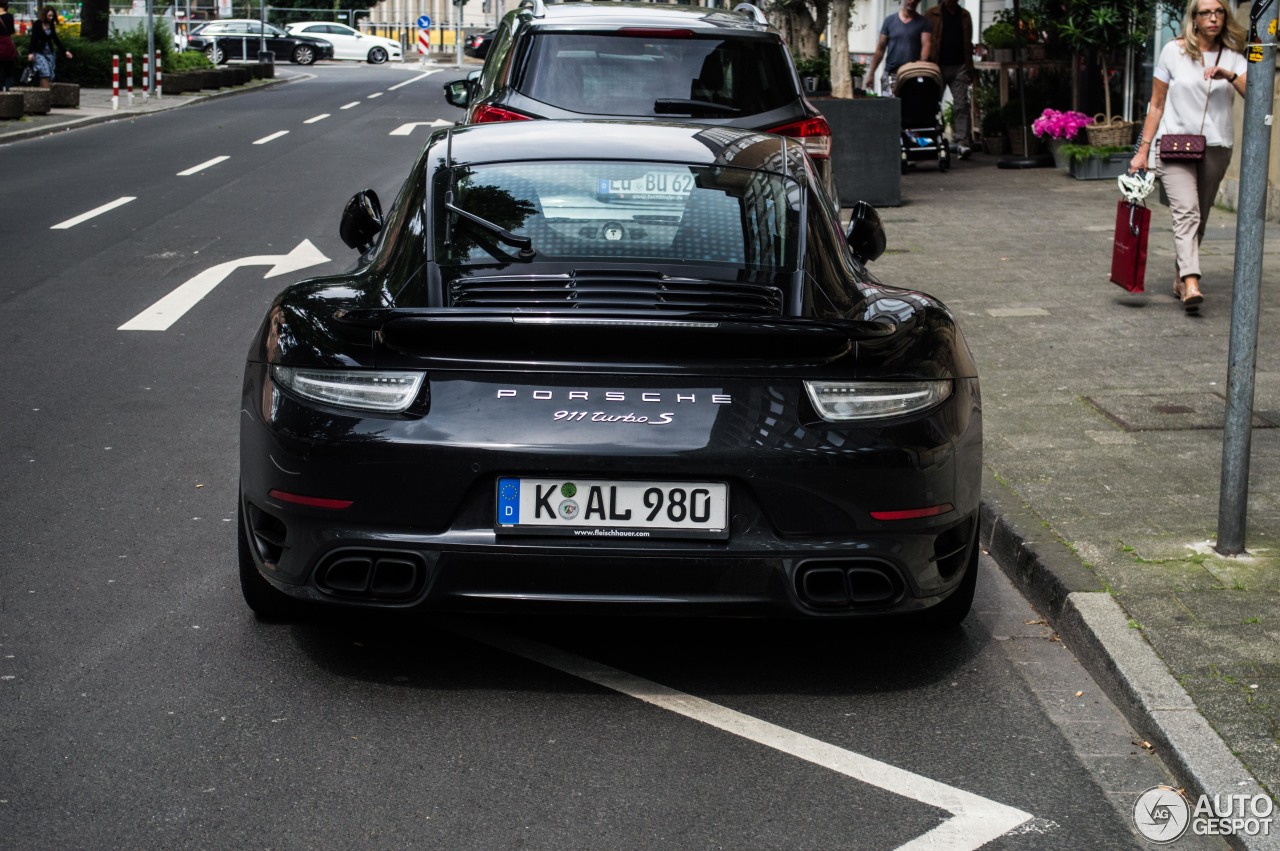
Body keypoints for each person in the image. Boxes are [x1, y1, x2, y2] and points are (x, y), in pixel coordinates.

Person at [1129, 0, 1247, 312]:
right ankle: (1192, 280)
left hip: (1217, 146)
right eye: (1206, 12)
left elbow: (1255, 94)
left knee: (1201, 218)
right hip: (1173, 145)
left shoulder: (1235, 54)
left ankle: (1180, 277)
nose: (1213, 18)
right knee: (1187, 212)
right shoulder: (1173, 51)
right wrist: (1142, 151)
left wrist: (1229, 75)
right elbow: (1156, 104)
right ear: (1193, 18)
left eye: (1219, 12)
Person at [926, 0, 975, 157]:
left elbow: (968, 43)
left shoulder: (965, 15)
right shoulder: (932, 14)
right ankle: (930, 141)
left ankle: (963, 143)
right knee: (932, 105)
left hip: (959, 66)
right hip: (937, 65)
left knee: (961, 104)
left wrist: (970, 69)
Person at [866, 0, 932, 96]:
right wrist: (871, 73)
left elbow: (926, 45)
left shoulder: (924, 23)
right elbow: (880, 49)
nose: (912, 1)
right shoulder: (889, 21)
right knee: (889, 107)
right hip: (890, 74)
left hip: (911, 74)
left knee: (910, 108)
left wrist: (921, 69)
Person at [27, 5, 72, 90]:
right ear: (45, 15)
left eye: (52, 16)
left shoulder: (51, 25)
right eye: (49, 16)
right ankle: (46, 94)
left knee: (50, 75)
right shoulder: (37, 24)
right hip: (39, 52)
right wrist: (30, 53)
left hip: (49, 53)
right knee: (45, 72)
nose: (51, 18)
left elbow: (55, 39)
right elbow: (33, 39)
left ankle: (42, 93)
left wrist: (65, 51)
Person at [0, 0, 18, 91]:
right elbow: (11, 31)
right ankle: (9, 95)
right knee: (9, 73)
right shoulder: (9, 16)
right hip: (7, 47)